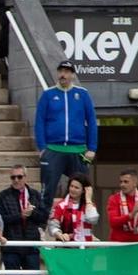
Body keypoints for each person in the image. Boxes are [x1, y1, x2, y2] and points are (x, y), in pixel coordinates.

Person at [32, 60, 95, 205]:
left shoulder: (82, 94)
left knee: (83, 189)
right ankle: (43, 224)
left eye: (66, 72)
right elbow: (39, 121)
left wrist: (92, 148)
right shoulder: (48, 94)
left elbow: (91, 121)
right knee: (47, 190)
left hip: (78, 148)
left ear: (72, 75)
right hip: (53, 148)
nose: (63, 74)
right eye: (60, 71)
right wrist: (42, 147)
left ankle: (82, 224)